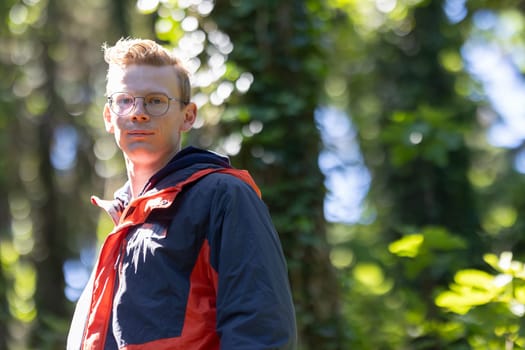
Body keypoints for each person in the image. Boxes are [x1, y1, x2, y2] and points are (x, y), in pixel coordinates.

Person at [67, 38, 297, 350]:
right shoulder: (120, 229)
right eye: (125, 100)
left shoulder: (223, 196)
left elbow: (261, 332)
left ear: (187, 116)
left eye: (156, 101)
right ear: (109, 116)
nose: (138, 113)